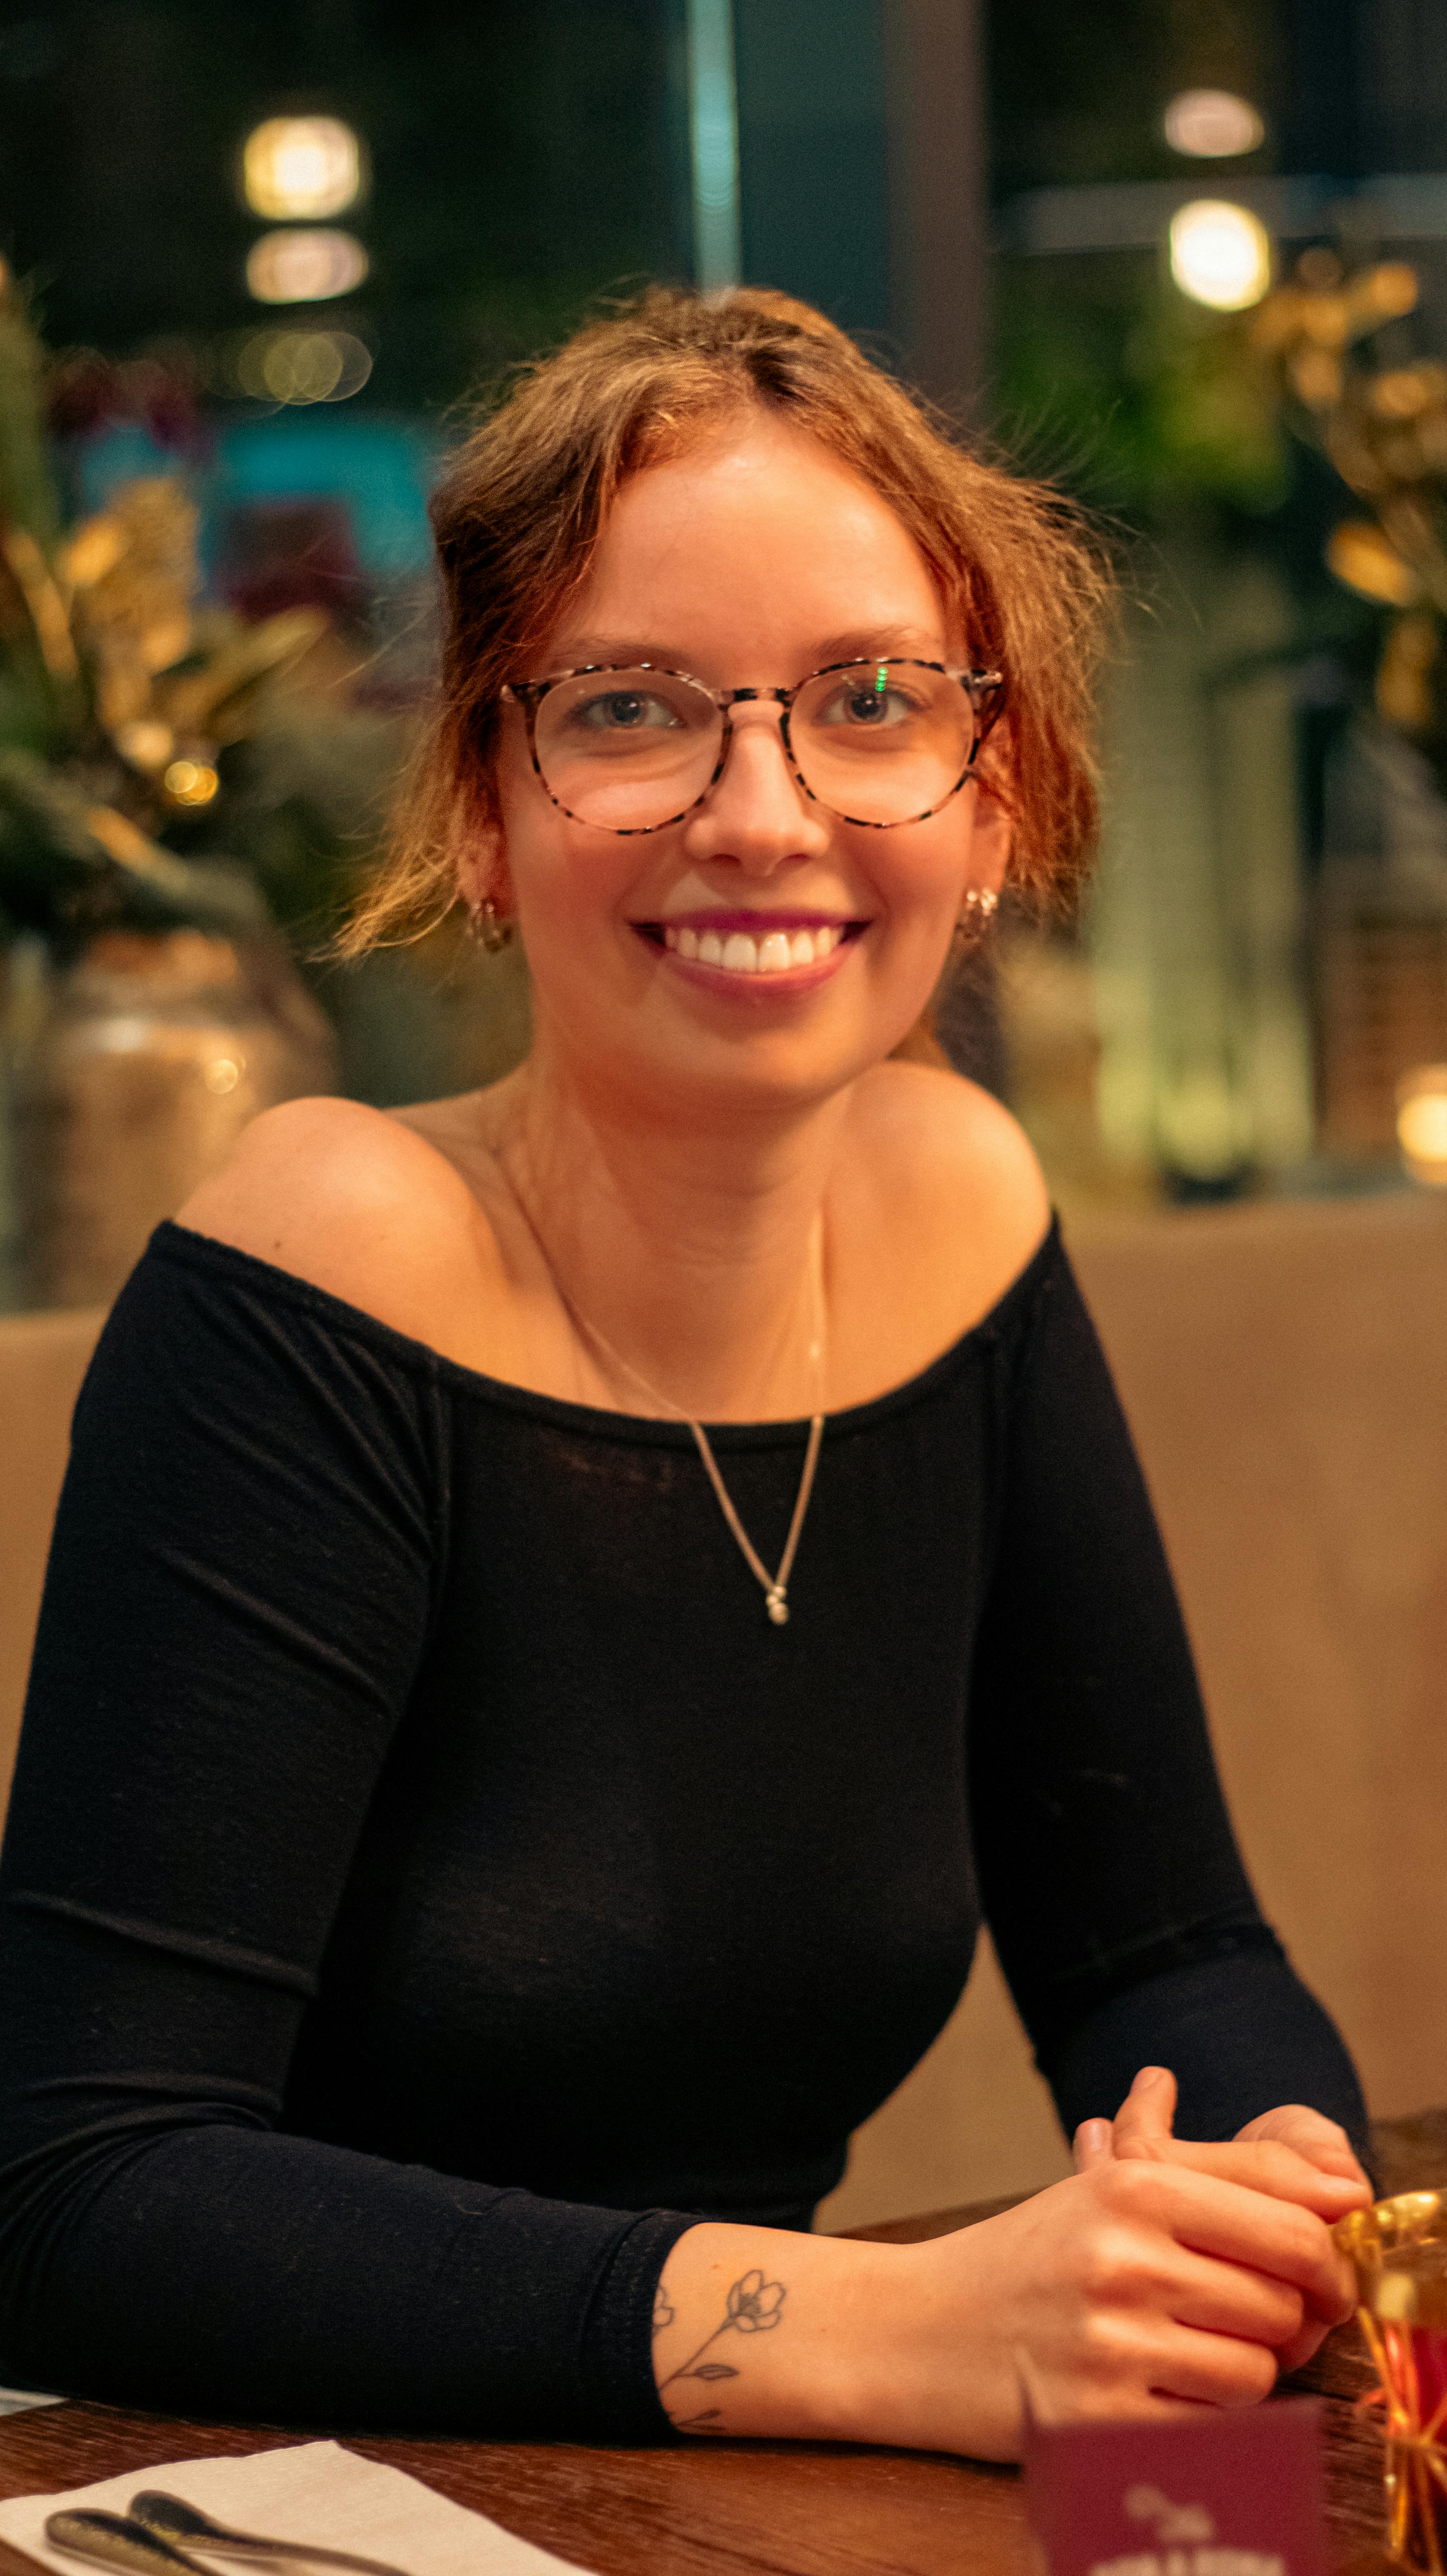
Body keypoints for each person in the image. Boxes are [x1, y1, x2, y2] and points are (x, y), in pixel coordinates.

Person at [0, 287, 1371, 2458]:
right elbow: (76, 2191)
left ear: (987, 798)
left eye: (863, 702)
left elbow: (1163, 1954)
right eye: (633, 709)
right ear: (480, 801)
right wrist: (888, 2329)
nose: (760, 811)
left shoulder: (965, 1202)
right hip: (265, 2499)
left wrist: (1270, 2200)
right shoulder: (322, 1247)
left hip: (762, 2496)